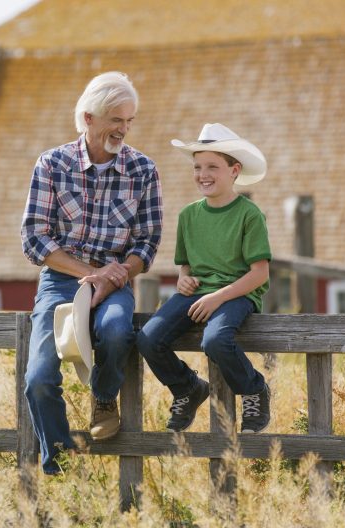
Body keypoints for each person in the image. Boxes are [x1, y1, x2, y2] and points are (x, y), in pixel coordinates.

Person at [20, 71, 163, 474]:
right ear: (88, 118)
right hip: (61, 279)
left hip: (115, 282)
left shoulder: (143, 170)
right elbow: (35, 239)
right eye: (116, 119)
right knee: (38, 378)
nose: (124, 129)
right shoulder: (52, 164)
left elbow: (147, 245)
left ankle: (103, 397)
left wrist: (112, 277)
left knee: (118, 330)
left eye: (129, 120)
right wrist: (90, 273)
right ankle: (61, 463)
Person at [136, 123, 271, 434]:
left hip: (237, 294)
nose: (203, 174)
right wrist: (183, 279)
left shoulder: (250, 215)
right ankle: (187, 388)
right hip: (196, 294)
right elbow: (185, 266)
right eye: (197, 167)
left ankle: (253, 389)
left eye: (213, 166)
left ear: (234, 170)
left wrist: (217, 297)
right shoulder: (188, 216)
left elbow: (259, 273)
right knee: (148, 338)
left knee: (215, 340)